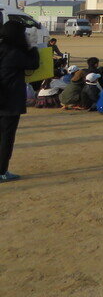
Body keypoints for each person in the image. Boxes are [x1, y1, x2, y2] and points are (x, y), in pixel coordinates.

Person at [0, 21, 40, 182]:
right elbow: (33, 64)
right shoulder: (14, 52)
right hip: (8, 101)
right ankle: (1, 171)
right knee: (6, 138)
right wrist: (34, 47)